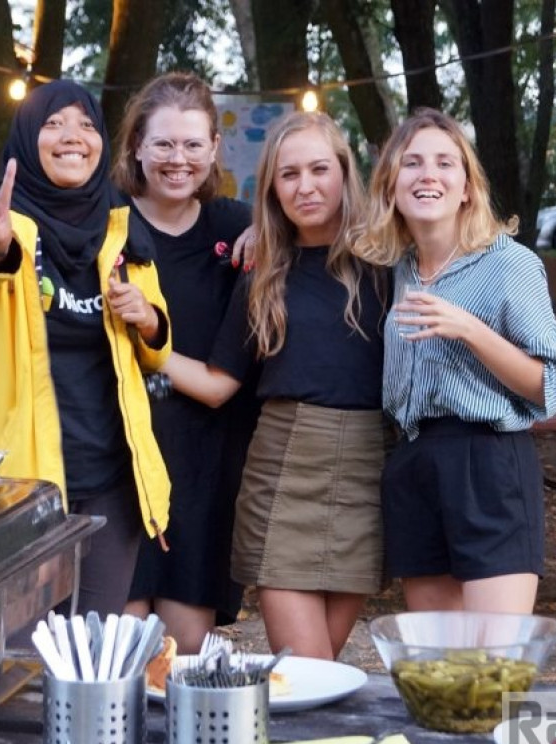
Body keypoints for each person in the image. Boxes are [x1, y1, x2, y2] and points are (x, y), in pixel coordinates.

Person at [160, 111, 391, 660]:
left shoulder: (389, 260)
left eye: (318, 169)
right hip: (284, 468)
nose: (305, 186)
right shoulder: (263, 270)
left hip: (368, 469)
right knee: (309, 667)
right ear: (271, 188)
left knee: (326, 670)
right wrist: (147, 346)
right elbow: (218, 384)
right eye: (288, 175)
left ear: (344, 172)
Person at [0, 80, 172, 617]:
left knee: (91, 654)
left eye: (87, 125)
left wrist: (147, 320)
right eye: (53, 124)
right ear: (27, 139)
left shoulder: (122, 226)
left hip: (112, 480)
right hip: (18, 485)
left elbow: (159, 347)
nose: (73, 137)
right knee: (15, 659)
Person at [350, 107, 556, 614]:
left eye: (446, 163)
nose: (429, 175)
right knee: (439, 665)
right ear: (391, 185)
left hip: (487, 462)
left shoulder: (509, 264)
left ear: (468, 187)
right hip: (413, 463)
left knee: (492, 666)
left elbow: (548, 387)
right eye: (412, 163)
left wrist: (469, 329)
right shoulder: (396, 269)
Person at [112, 72, 258, 653]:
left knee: (183, 655)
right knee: (117, 653)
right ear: (137, 149)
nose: (179, 159)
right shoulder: (106, 225)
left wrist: (272, 238)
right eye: (164, 144)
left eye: (193, 144)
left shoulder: (239, 226)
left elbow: (328, 231)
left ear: (214, 150)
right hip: (118, 463)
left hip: (203, 467)